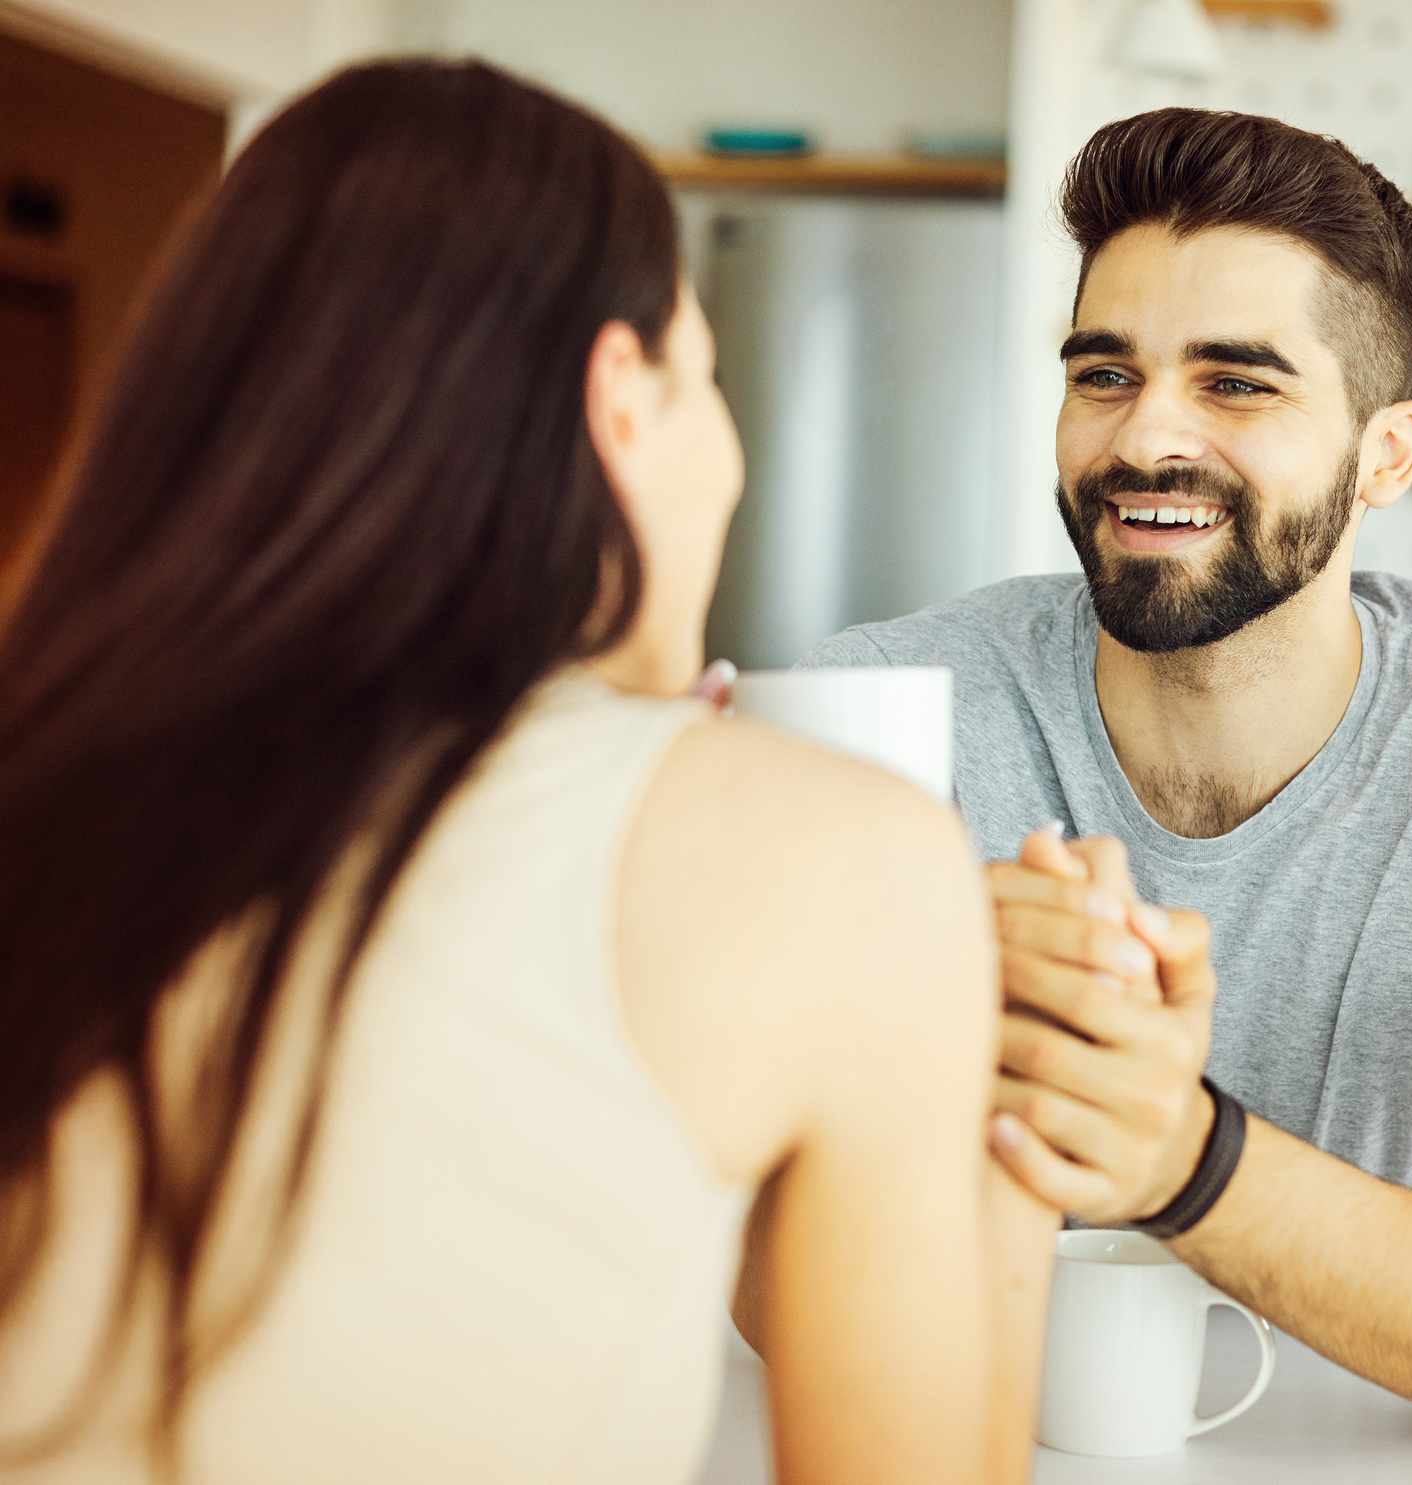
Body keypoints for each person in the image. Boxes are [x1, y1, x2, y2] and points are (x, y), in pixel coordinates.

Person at [0, 61, 1054, 1485]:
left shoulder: (52, 762)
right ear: (620, 399)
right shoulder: (837, 854)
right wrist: (1017, 1121)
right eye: (709, 375)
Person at [801, 108, 1412, 1439]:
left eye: (1237, 381)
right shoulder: (888, 711)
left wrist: (1180, 1156)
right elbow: (767, 1292)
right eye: (1104, 373)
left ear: (1387, 453)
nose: (1145, 437)